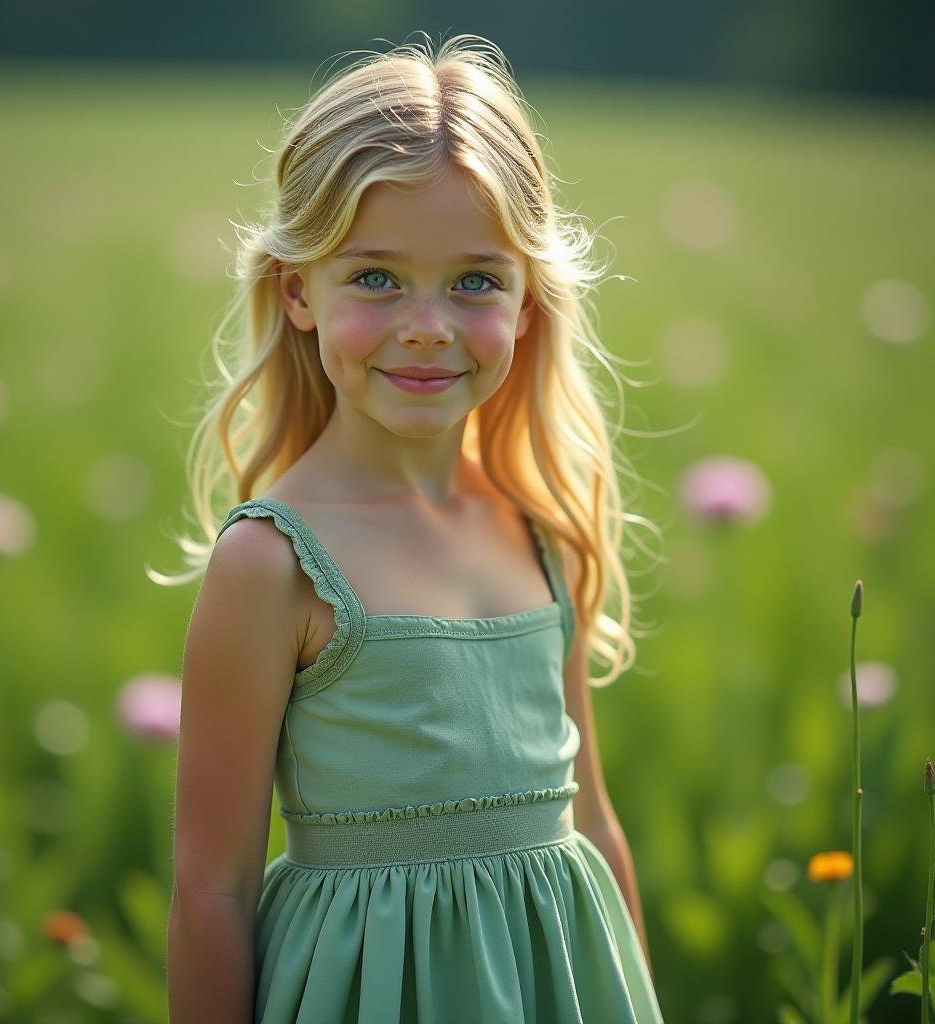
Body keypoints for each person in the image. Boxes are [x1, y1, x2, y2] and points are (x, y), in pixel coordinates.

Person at [163, 31, 666, 1024]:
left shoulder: (541, 529)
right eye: (377, 278)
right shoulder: (273, 564)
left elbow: (595, 827)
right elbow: (208, 890)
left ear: (527, 304)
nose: (428, 324)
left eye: (475, 280)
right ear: (299, 291)